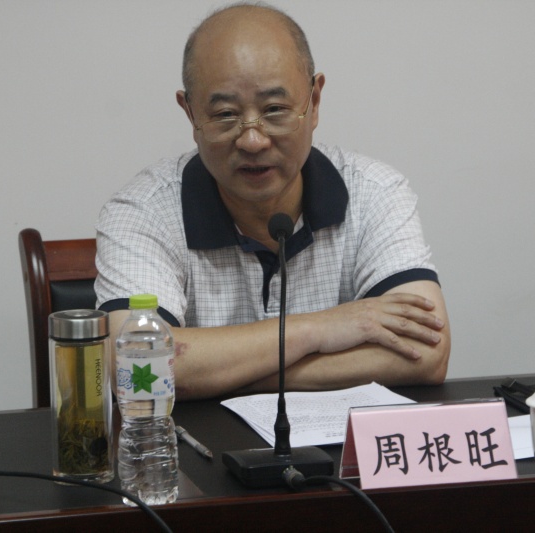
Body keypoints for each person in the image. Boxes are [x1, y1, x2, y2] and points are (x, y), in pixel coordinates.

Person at [95, 2, 450, 400]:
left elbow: (426, 353)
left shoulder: (374, 192)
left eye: (275, 110)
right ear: (191, 113)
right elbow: (135, 366)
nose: (252, 140)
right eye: (225, 114)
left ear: (314, 101)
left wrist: (236, 377)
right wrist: (319, 328)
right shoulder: (142, 212)